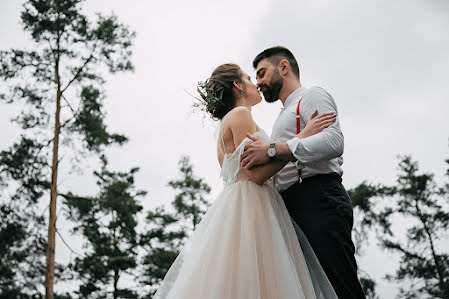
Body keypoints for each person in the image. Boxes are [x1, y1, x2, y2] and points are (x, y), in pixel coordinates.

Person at [153, 63, 339, 299]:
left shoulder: (225, 124)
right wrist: (303, 135)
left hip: (242, 204)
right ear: (238, 86)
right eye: (249, 78)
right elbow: (256, 174)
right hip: (254, 205)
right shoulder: (240, 115)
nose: (255, 84)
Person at [241, 46, 366, 299]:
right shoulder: (282, 117)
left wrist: (274, 150)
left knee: (338, 285)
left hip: (318, 198)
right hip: (291, 209)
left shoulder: (311, 96)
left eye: (262, 73)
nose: (259, 82)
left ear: (284, 67)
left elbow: (333, 141)